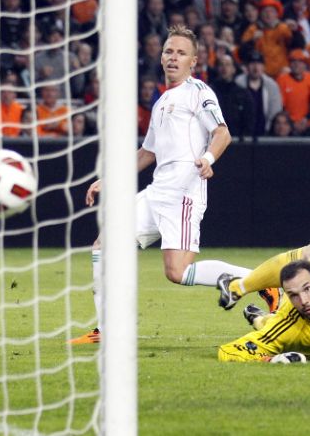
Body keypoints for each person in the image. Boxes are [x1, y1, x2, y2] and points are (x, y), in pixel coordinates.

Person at [68, 25, 234, 344]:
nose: (173, 57)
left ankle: (256, 282)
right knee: (104, 246)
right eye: (169, 51)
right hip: (156, 192)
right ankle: (106, 330)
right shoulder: (161, 102)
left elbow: (222, 133)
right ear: (161, 57)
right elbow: (147, 152)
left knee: (177, 273)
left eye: (181, 53)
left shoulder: (199, 93)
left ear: (193, 61)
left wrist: (208, 160)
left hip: (184, 193)